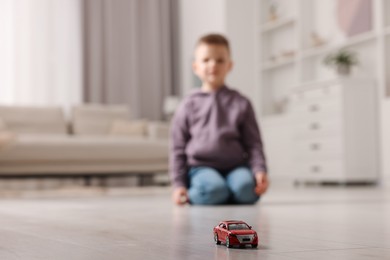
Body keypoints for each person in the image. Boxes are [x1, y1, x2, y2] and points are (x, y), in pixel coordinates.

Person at [170, 33, 269, 205]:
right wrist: (179, 184)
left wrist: (259, 170)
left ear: (229, 65)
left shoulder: (241, 102)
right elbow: (177, 147)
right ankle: (214, 193)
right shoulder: (188, 104)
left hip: (236, 167)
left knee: (247, 189)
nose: (213, 64)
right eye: (206, 60)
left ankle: (226, 192)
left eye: (220, 60)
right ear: (195, 67)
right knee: (213, 189)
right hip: (201, 167)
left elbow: (254, 144)